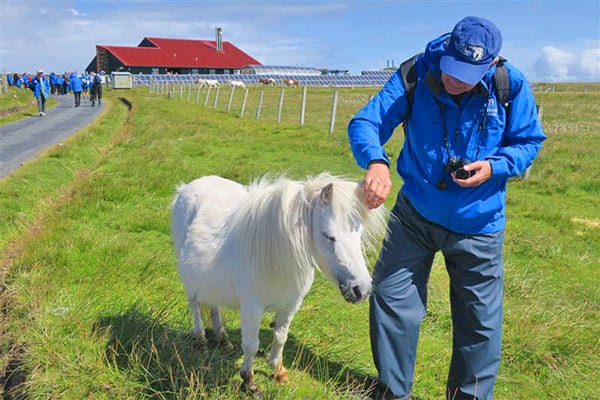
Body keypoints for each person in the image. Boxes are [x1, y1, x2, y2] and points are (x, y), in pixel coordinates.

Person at [348, 16, 546, 400]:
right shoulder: (415, 73)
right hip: (415, 215)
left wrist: (494, 167)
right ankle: (392, 391)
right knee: (390, 296)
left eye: (469, 73)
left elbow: (528, 141)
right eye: (452, 68)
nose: (456, 80)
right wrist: (375, 161)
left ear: (491, 64)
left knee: (479, 323)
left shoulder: (511, 85)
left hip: (481, 223)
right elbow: (366, 122)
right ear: (445, 52)